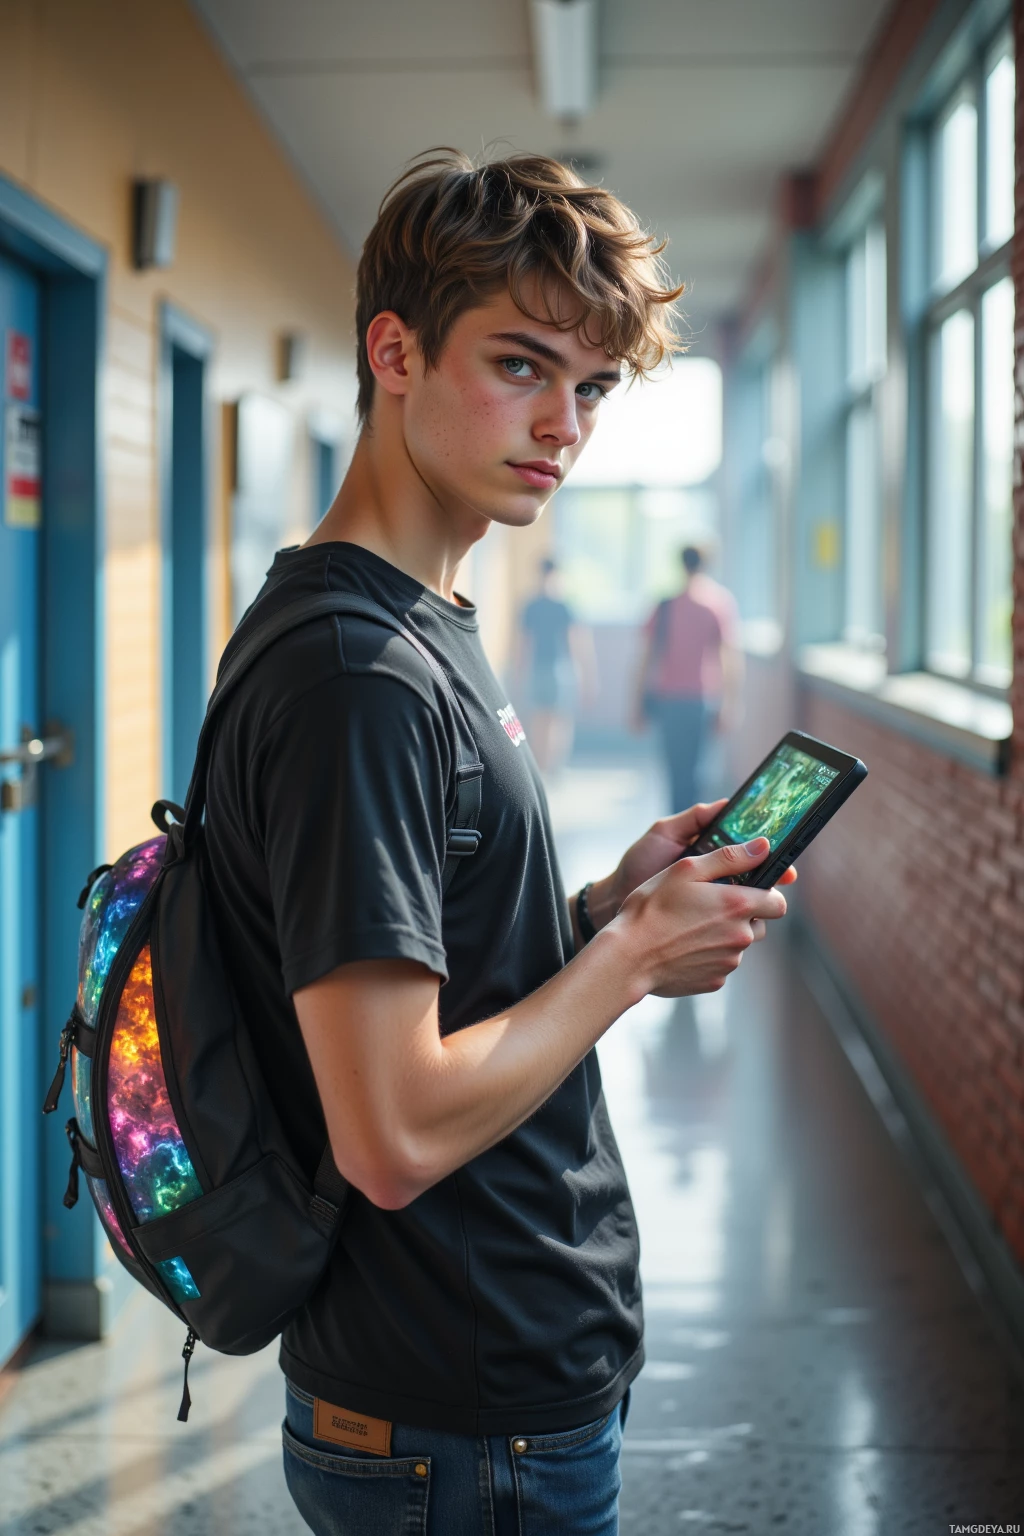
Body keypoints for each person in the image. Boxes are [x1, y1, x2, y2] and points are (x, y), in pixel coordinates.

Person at [203, 150, 793, 1536]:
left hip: (475, 1391)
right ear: (392, 351)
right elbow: (394, 1132)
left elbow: (433, 960)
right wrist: (637, 958)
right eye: (522, 367)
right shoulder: (360, 674)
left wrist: (594, 913)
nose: (564, 426)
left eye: (590, 390)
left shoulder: (418, 624)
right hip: (453, 1419)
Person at [635, 544, 743, 813]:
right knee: (698, 772)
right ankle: (694, 831)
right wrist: (731, 704)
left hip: (668, 699)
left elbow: (646, 658)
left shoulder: (665, 605)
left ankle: (676, 826)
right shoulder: (719, 603)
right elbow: (730, 659)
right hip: (701, 699)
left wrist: (636, 703)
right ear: (706, 565)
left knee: (674, 770)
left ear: (681, 564)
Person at [517, 556, 591, 773]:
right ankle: (547, 765)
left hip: (554, 668)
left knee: (551, 719)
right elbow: (525, 643)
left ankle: (546, 765)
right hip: (551, 668)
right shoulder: (555, 606)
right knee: (550, 719)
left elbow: (574, 643)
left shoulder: (548, 606)